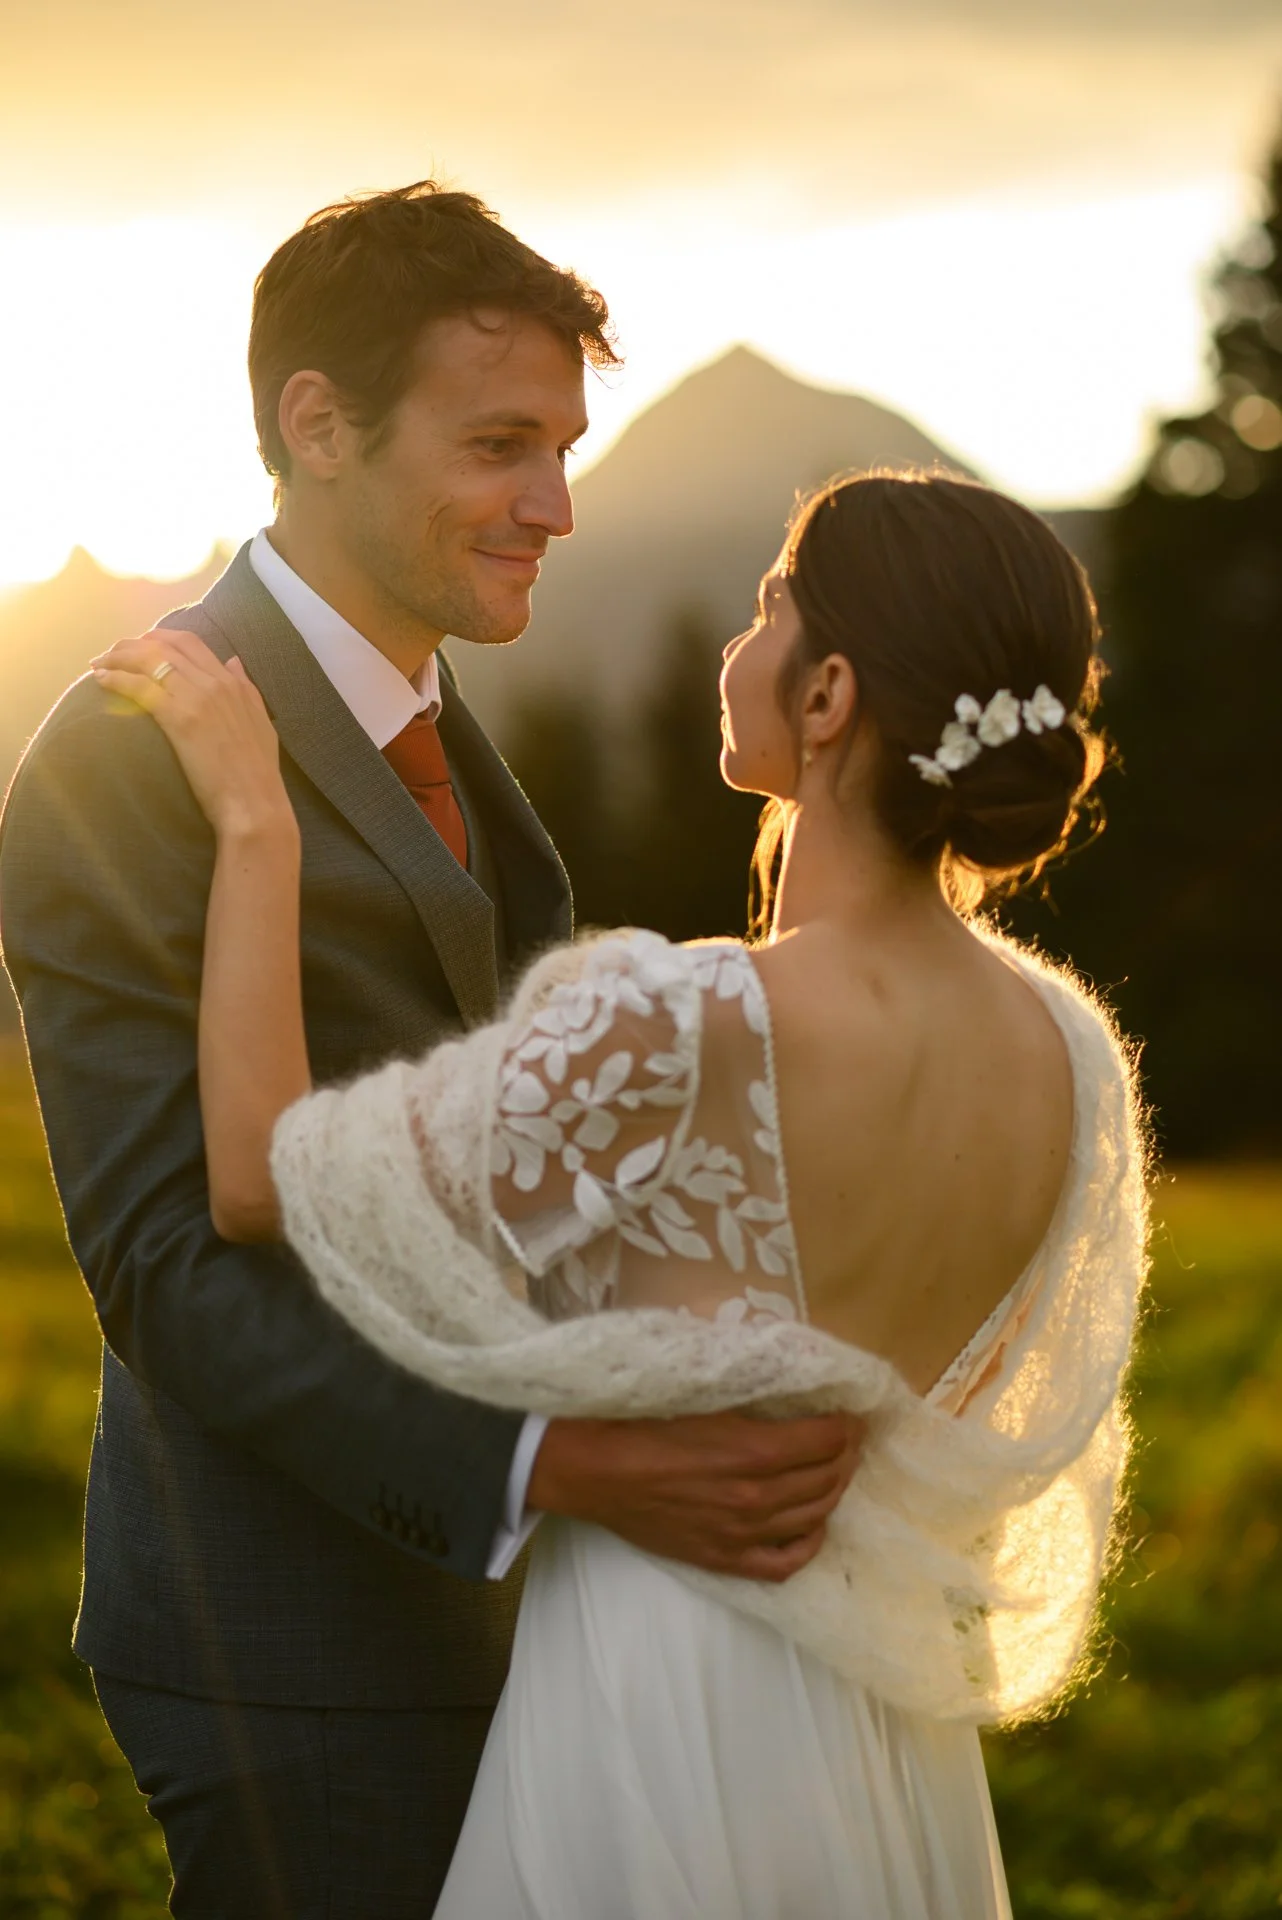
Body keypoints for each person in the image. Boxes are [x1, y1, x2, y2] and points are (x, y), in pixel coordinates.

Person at [91, 469, 1150, 1917]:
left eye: (769, 605)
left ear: (829, 695)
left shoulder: (688, 1018)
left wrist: (256, 823)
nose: (737, 642)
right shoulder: (1069, 1059)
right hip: (879, 1732)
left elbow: (263, 1175)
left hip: (658, 1689)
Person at [0, 183, 862, 1918]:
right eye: (497, 445)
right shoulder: (118, 758)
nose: (550, 504)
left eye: (562, 447)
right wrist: (557, 1470)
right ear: (316, 425)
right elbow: (167, 1264)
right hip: (295, 1650)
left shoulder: (442, 730)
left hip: (513, 1623)